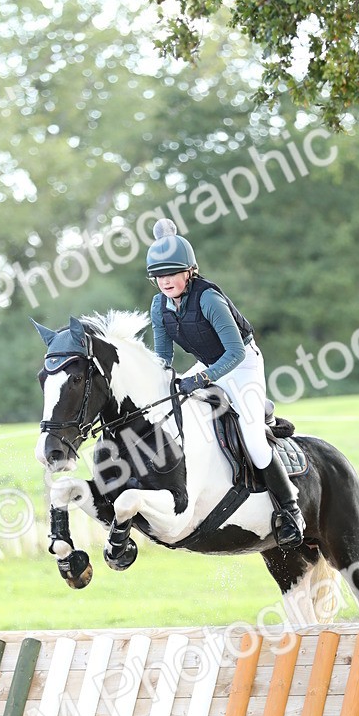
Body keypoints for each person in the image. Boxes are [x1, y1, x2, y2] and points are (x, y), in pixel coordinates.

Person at [146, 218, 305, 548]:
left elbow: (233, 353)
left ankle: (290, 510)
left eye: (173, 273)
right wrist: (163, 383)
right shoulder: (159, 306)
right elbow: (163, 356)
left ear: (190, 271)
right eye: (160, 275)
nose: (166, 281)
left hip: (242, 364)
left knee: (254, 440)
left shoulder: (208, 299)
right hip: (207, 362)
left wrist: (200, 379)